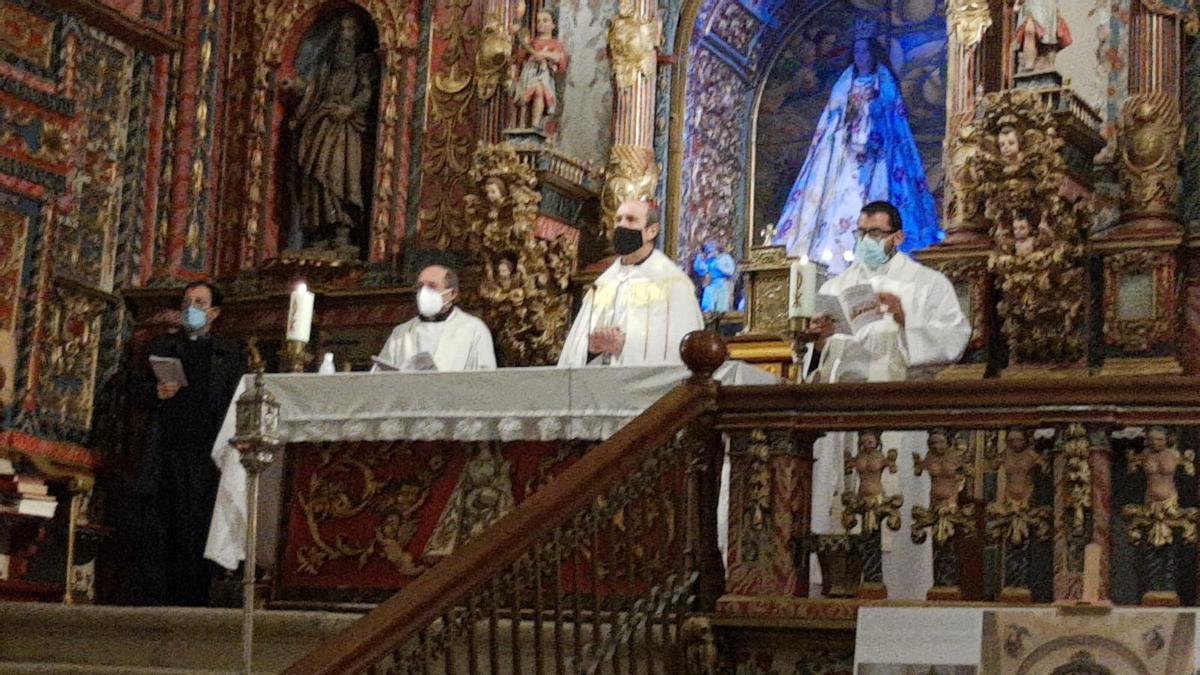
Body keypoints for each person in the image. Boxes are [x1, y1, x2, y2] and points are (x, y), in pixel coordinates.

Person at [802, 201, 970, 599]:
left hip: (898, 419)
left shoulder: (928, 283)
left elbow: (955, 340)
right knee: (838, 513)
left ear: (898, 236)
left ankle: (900, 597)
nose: (866, 242)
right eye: (860, 234)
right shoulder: (836, 287)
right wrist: (818, 340)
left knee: (897, 513)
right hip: (842, 420)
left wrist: (905, 318)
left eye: (875, 234)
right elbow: (814, 361)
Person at [771, 20, 939, 274]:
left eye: (866, 51)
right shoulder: (844, 82)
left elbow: (893, 116)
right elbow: (833, 115)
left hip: (878, 150)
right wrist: (846, 124)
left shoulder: (884, 81)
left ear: (874, 53)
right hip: (845, 150)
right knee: (838, 195)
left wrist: (873, 121)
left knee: (880, 191)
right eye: (858, 51)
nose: (862, 57)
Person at [136, 282, 246, 606]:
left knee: (199, 525)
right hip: (167, 449)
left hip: (208, 453)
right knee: (163, 525)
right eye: (187, 302)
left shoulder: (230, 354)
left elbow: (236, 399)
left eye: (199, 302)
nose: (191, 308)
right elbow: (133, 388)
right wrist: (154, 392)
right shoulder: (163, 346)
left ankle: (197, 597)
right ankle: (160, 598)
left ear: (214, 312)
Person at [557, 199, 704, 367]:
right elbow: (576, 348)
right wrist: (592, 347)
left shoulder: (673, 284)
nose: (622, 226)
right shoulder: (604, 283)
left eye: (631, 219)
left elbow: (682, 348)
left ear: (652, 231)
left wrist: (625, 345)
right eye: (618, 219)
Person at [286, 15, 378, 251]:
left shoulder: (362, 68)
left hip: (345, 132)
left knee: (340, 177)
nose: (342, 49)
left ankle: (342, 229)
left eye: (347, 44)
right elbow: (311, 89)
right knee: (315, 177)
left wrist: (349, 109)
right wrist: (295, 86)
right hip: (320, 128)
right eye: (339, 44)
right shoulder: (326, 71)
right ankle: (319, 230)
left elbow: (367, 94)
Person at [374, 264, 496, 371]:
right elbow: (380, 379)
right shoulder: (400, 332)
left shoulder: (474, 329)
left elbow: (485, 380)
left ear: (452, 293)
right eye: (420, 286)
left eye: (432, 286)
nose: (424, 292)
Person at [513, 10, 567, 130]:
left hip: (545, 76)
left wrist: (543, 54)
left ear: (553, 25)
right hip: (530, 73)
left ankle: (536, 124)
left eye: (545, 20)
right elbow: (519, 59)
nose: (540, 23)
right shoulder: (531, 42)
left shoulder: (556, 44)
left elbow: (560, 60)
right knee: (530, 94)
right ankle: (522, 123)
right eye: (538, 21)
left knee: (539, 90)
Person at [1013, 0, 1072, 73]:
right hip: (1030, 5)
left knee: (1047, 37)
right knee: (1029, 30)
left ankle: (1041, 63)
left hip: (1046, 6)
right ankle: (1029, 64)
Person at [692, 239, 737, 313]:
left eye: (711, 249)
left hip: (723, 282)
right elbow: (700, 268)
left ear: (717, 249)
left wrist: (718, 265)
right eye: (708, 250)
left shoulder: (725, 257)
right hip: (712, 282)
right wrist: (700, 258)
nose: (709, 251)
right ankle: (708, 312)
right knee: (709, 293)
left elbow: (731, 271)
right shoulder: (709, 259)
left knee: (722, 302)